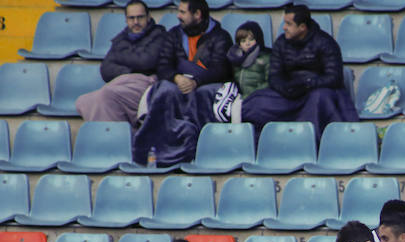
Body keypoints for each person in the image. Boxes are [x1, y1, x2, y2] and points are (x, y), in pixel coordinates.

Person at [132, 0, 232, 166]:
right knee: (165, 90)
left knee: (201, 94)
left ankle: (194, 150)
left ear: (197, 15)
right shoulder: (173, 35)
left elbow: (221, 69)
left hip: (206, 83)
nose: (178, 16)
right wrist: (177, 78)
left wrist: (196, 82)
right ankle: (156, 151)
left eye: (183, 12)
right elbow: (163, 65)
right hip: (178, 81)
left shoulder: (220, 36)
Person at [241, 3, 358, 141]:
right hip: (290, 94)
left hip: (317, 91)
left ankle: (305, 140)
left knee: (320, 99)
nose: (284, 27)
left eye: (289, 24)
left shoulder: (325, 42)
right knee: (257, 102)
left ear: (302, 27)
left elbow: (334, 77)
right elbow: (274, 76)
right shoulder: (281, 43)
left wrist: (309, 83)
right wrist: (286, 88)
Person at [75, 1, 167, 126]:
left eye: (140, 17)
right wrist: (128, 71)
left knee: (107, 95)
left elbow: (146, 61)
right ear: (126, 20)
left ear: (149, 17)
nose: (136, 22)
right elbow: (105, 69)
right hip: (123, 81)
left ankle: (116, 135)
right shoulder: (121, 38)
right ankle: (121, 134)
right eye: (131, 18)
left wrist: (119, 57)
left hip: (146, 83)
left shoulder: (159, 34)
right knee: (83, 101)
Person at [226, 21, 270, 96]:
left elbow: (269, 82)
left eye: (251, 39)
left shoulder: (266, 58)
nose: (247, 43)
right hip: (239, 97)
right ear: (239, 44)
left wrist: (254, 94)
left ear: (258, 39)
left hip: (258, 97)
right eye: (243, 41)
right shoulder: (235, 58)